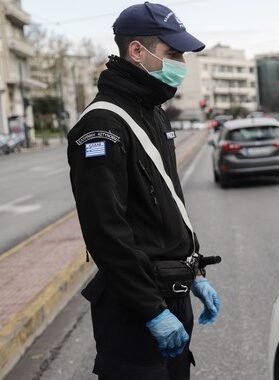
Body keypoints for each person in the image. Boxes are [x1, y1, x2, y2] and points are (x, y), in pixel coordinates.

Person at [67, 3, 219, 379]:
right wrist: (152, 310)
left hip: (171, 293)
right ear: (137, 50)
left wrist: (195, 269)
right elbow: (107, 232)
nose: (181, 62)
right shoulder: (102, 124)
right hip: (136, 310)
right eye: (173, 53)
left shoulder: (152, 112)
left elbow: (166, 206)